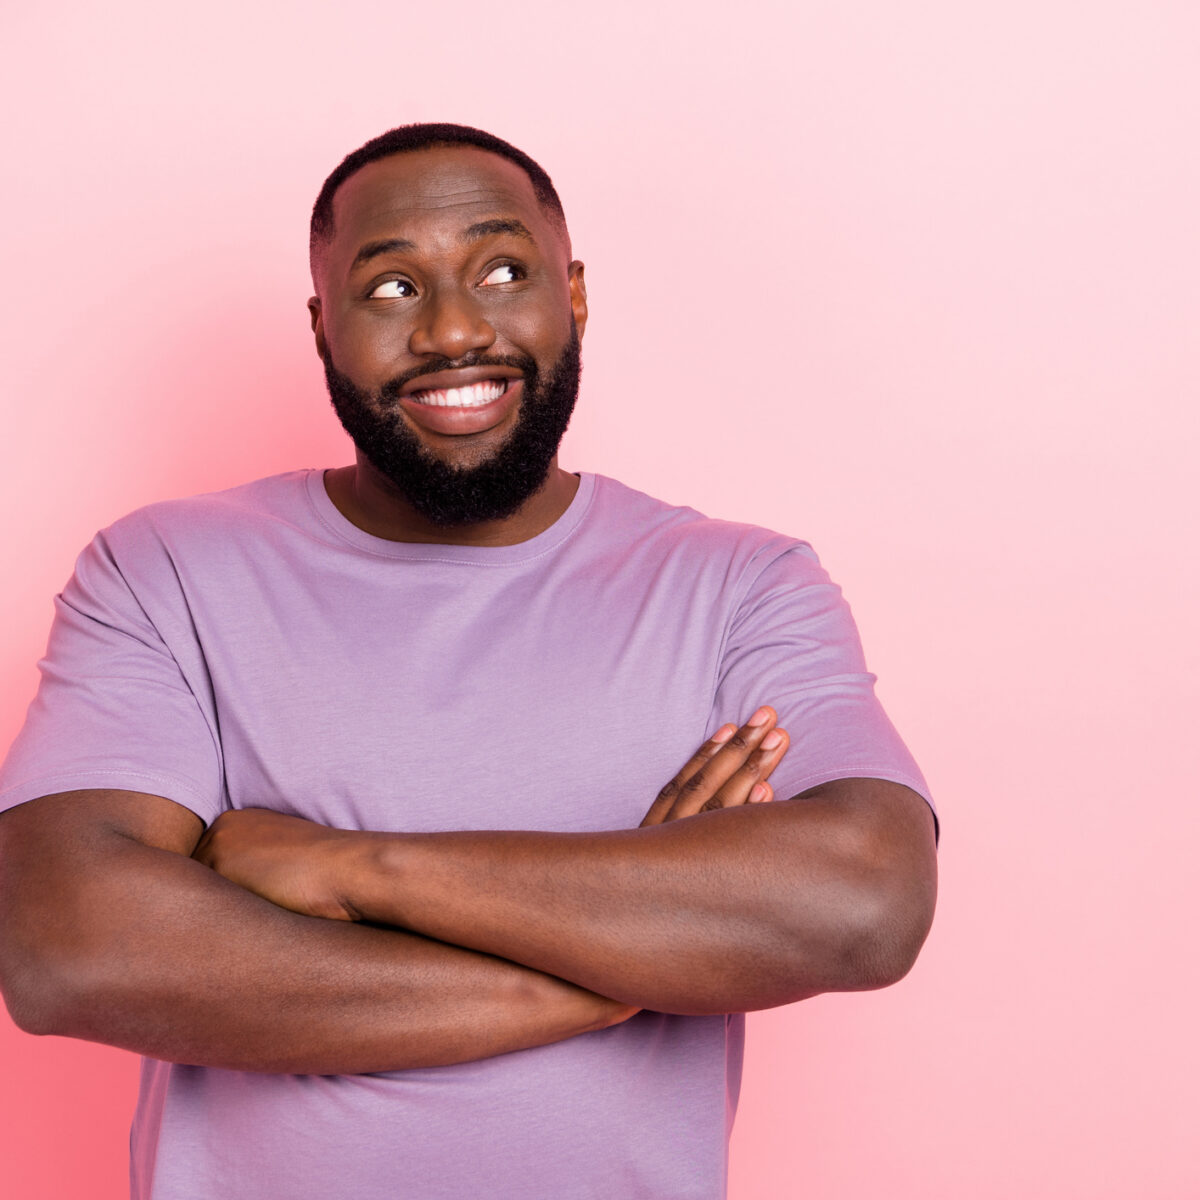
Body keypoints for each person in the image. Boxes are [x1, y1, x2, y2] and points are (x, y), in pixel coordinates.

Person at [0, 123, 938, 1200]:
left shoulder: (740, 586)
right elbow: (69, 948)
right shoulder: (162, 574)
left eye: (502, 270)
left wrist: (353, 868)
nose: (453, 330)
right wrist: (623, 965)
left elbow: (866, 902)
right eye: (391, 287)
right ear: (323, 329)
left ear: (574, 295)